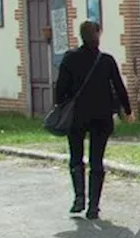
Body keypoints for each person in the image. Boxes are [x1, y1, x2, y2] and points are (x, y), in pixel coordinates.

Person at [54, 20, 134, 220]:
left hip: (76, 117)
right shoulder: (106, 60)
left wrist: (61, 105)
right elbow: (119, 87)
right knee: (96, 160)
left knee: (76, 157)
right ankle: (93, 207)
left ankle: (79, 198)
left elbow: (60, 89)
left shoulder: (69, 58)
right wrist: (128, 110)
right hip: (101, 116)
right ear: (98, 34)